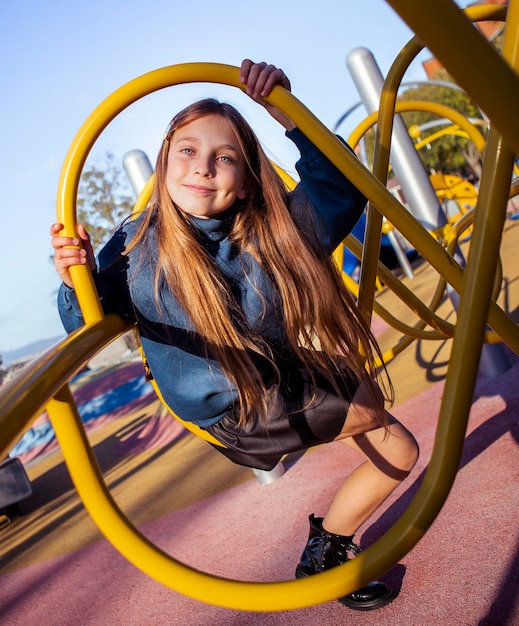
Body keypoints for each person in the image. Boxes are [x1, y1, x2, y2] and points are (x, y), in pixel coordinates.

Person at [50, 59, 419, 611]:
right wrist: (72, 277)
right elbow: (84, 321)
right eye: (188, 151)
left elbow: (343, 186)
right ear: (165, 162)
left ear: (246, 182)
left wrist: (285, 113)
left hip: (274, 376)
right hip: (235, 411)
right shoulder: (135, 247)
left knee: (379, 420)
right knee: (397, 445)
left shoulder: (273, 236)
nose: (204, 167)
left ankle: (328, 539)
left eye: (224, 158)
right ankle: (327, 549)